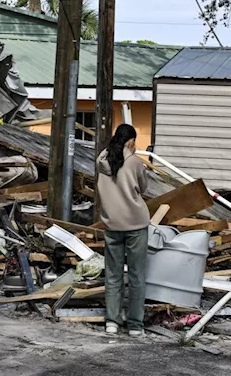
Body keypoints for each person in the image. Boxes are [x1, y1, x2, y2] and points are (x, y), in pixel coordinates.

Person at [96, 123, 149, 337]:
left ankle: (112, 321)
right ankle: (135, 325)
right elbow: (143, 188)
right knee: (136, 275)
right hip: (136, 224)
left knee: (113, 275)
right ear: (131, 141)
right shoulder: (135, 162)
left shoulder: (102, 162)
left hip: (112, 224)